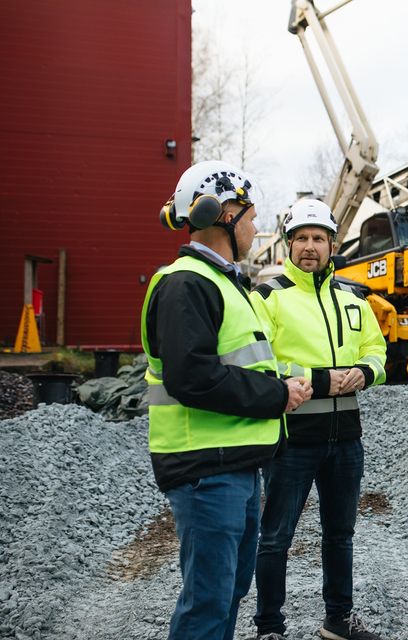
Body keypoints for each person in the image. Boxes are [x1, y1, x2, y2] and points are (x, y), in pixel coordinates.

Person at [142, 160, 313, 640]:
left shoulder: (224, 283)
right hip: (204, 471)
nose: (257, 229)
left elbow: (236, 366)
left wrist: (282, 385)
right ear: (223, 212)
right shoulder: (186, 283)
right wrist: (276, 394)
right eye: (253, 216)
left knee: (229, 591)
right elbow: (193, 377)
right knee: (209, 604)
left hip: (232, 466)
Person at [249, 199, 387, 640]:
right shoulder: (268, 298)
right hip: (292, 439)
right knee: (275, 538)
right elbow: (258, 362)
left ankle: (338, 620)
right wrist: (324, 380)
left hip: (346, 439)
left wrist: (364, 372)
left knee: (340, 535)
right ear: (288, 245)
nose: (310, 246)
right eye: (301, 238)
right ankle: (269, 626)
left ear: (332, 244)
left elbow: (378, 352)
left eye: (318, 238)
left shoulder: (353, 297)